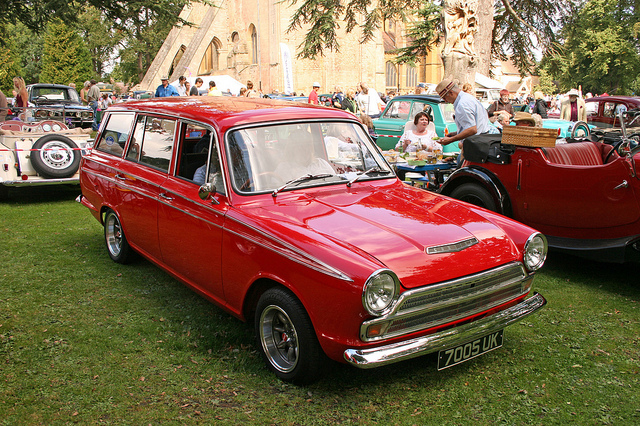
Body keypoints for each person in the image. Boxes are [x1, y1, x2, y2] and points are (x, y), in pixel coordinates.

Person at [436, 78, 496, 150]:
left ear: (451, 93)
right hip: (481, 139)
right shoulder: (468, 98)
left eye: (445, 98)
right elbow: (474, 125)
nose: (446, 101)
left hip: (476, 144)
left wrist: (451, 139)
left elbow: (472, 129)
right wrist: (457, 133)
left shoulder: (462, 104)